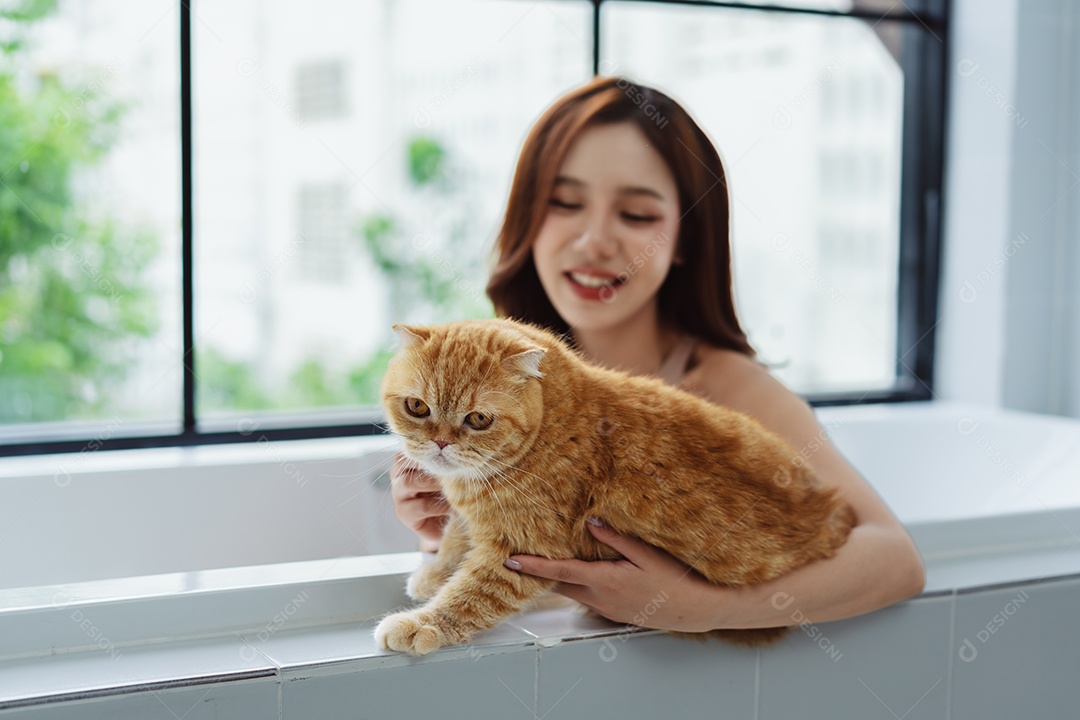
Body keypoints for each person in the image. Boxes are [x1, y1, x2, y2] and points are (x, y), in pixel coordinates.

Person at [389, 75, 925, 633]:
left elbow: (895, 561)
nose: (594, 240)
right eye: (565, 203)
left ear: (686, 240)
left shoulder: (728, 386)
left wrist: (707, 609)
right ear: (527, 219)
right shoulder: (490, 378)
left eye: (637, 215)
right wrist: (447, 530)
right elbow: (533, 568)